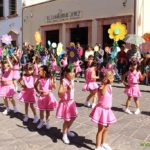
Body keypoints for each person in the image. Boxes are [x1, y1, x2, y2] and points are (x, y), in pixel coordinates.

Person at [90, 71, 117, 150]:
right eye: (110, 78)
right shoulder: (102, 86)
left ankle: (103, 143)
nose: (112, 79)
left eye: (112, 78)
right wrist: (107, 84)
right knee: (101, 129)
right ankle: (97, 147)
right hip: (101, 110)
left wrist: (108, 84)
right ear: (105, 79)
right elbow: (102, 93)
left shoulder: (109, 86)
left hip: (107, 110)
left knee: (106, 128)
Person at [56, 67, 78, 144]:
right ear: (66, 73)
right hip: (66, 103)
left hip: (71, 102)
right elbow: (59, 94)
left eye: (74, 72)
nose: (73, 74)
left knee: (74, 116)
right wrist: (67, 89)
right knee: (67, 120)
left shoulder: (71, 80)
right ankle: (64, 135)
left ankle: (67, 130)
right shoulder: (64, 81)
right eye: (71, 72)